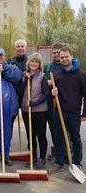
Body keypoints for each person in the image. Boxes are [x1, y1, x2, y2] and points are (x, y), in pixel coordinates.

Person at [50, 45, 86, 173]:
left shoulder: (81, 75)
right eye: (62, 57)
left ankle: (77, 162)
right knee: (58, 137)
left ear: (72, 56)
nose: (64, 59)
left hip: (74, 112)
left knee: (75, 138)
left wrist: (84, 113)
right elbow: (53, 94)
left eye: (66, 57)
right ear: (59, 58)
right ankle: (59, 162)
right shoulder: (57, 75)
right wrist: (53, 92)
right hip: (59, 112)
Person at [21, 52, 49, 169]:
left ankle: (42, 158)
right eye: (32, 61)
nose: (33, 63)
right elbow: (21, 91)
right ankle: (33, 157)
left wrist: (34, 103)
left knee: (40, 135)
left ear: (39, 64)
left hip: (40, 111)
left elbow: (46, 94)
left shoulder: (42, 76)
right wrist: (25, 79)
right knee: (30, 135)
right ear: (29, 63)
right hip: (26, 110)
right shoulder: (25, 75)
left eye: (36, 62)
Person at [44, 42, 63, 160]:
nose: (56, 54)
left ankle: (66, 152)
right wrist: (48, 82)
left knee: (64, 128)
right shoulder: (48, 67)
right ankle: (57, 150)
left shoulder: (65, 65)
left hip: (63, 101)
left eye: (58, 52)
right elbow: (44, 81)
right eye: (54, 52)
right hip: (50, 102)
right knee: (53, 127)